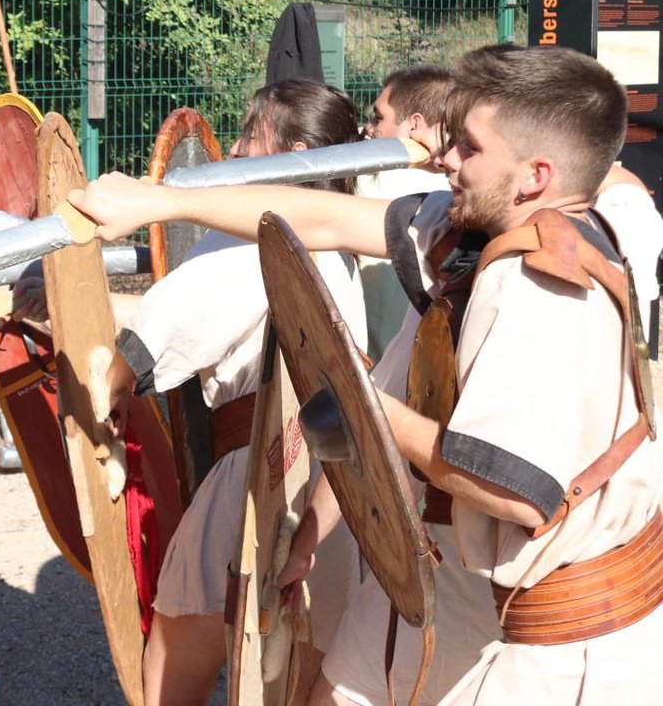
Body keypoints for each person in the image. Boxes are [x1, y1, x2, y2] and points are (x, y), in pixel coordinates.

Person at [70, 44, 663, 704]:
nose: (444, 160)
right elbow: (322, 217)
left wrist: (357, 401)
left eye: (469, 148)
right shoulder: (511, 227)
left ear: (535, 176)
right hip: (456, 568)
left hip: (560, 634)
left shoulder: (537, 290)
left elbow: (517, 489)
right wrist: (158, 203)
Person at [110, 80, 366, 706]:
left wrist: (110, 388)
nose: (238, 146)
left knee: (172, 671)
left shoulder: (262, 229)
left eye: (253, 133)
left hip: (258, 471)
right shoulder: (341, 241)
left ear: (296, 152)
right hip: (337, 486)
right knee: (302, 675)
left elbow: (158, 333)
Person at [354, 66, 453, 358]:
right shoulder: (455, 183)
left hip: (373, 369)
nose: (370, 129)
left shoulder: (376, 175)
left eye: (378, 118)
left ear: (413, 125)